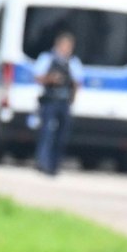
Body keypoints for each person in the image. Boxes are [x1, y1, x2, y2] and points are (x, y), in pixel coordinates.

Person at [33, 30, 83, 176]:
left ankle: (54, 166)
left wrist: (73, 96)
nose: (67, 49)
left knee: (62, 135)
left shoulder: (73, 62)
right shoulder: (47, 58)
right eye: (65, 46)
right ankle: (42, 162)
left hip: (64, 102)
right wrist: (51, 79)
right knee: (46, 133)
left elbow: (78, 81)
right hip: (49, 100)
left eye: (69, 46)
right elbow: (37, 77)